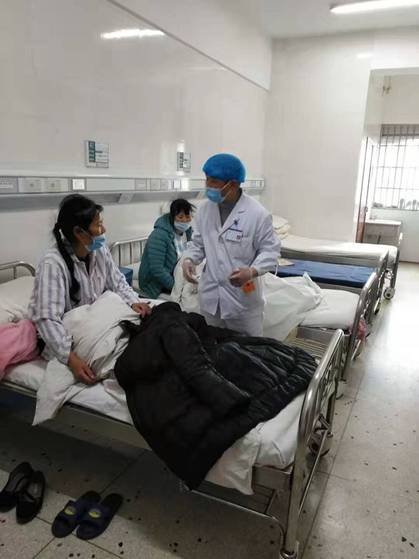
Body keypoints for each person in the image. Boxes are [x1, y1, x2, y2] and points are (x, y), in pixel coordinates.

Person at [28, 194, 151, 385]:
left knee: (161, 322)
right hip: (75, 336)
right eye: (98, 225)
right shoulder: (53, 264)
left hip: (99, 322)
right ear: (79, 232)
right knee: (140, 357)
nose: (104, 229)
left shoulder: (98, 250)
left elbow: (117, 282)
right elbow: (47, 319)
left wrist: (134, 301)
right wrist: (71, 359)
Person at [182, 153, 281, 336]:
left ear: (233, 184)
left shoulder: (257, 214)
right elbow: (198, 244)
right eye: (207, 179)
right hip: (211, 298)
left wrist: (251, 271)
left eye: (214, 181)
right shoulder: (204, 210)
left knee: (247, 349)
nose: (208, 185)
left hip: (242, 301)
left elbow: (270, 251)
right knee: (213, 346)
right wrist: (189, 260)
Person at [138, 198, 194, 298]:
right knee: (191, 298)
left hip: (177, 275)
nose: (185, 220)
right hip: (157, 282)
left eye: (187, 216)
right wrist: (176, 287)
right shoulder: (159, 236)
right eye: (180, 217)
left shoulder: (187, 232)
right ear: (172, 217)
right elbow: (157, 269)